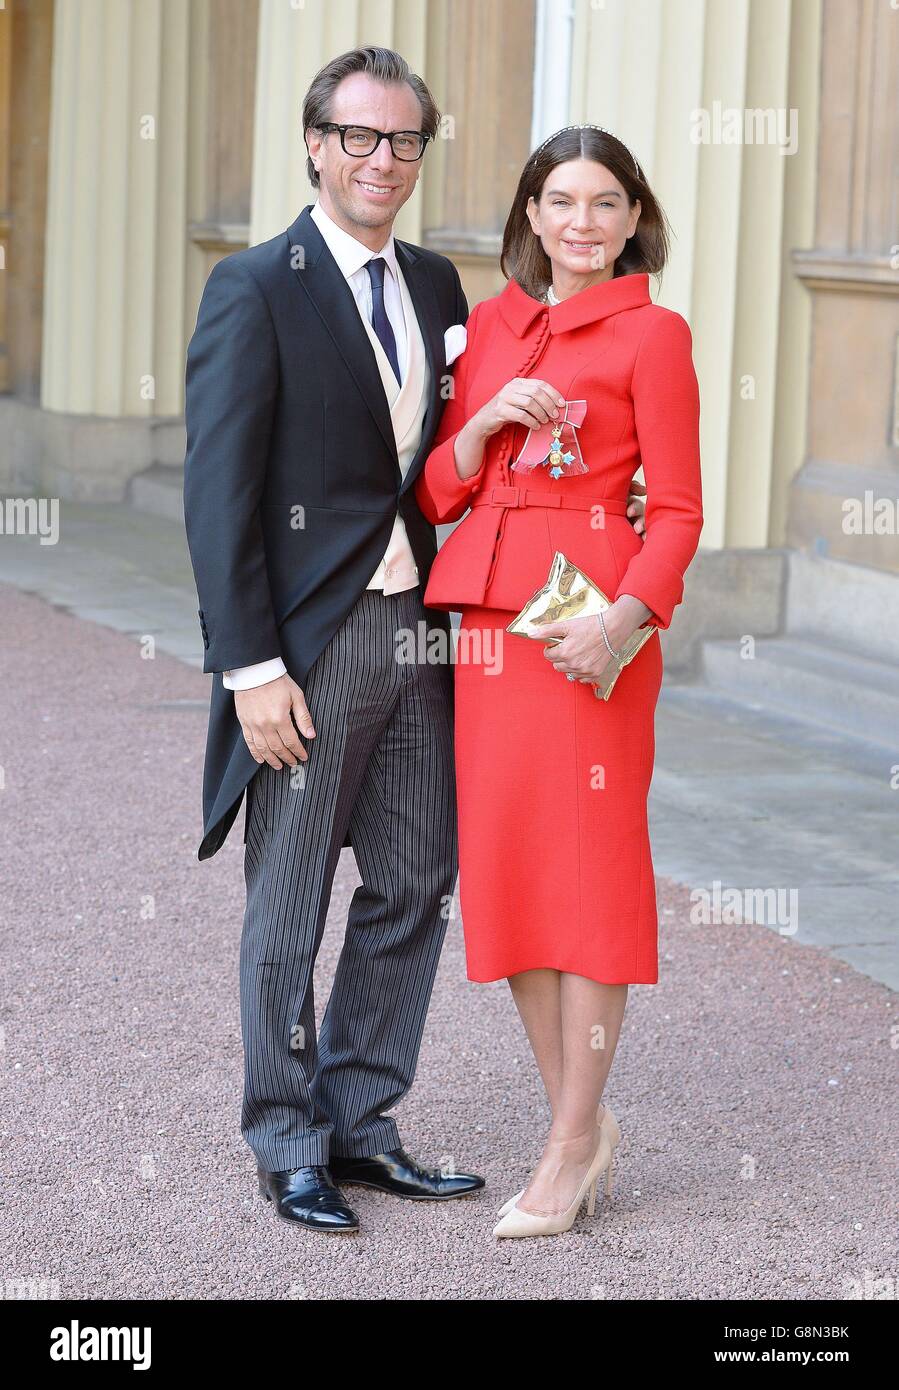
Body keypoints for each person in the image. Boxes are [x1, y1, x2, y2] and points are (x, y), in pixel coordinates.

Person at [182, 46, 496, 1232]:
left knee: (416, 878)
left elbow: (442, 465)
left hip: (419, 635)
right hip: (308, 648)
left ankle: (362, 1121)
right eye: (358, 137)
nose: (382, 159)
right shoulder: (256, 286)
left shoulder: (435, 285)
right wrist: (249, 667)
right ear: (314, 144)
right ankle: (287, 1137)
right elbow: (218, 496)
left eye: (404, 139)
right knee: (291, 894)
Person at [415, 124, 704, 1238]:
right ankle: (574, 1126)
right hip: (490, 625)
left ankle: (570, 1140)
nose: (580, 223)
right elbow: (438, 492)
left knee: (583, 880)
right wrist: (482, 421)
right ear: (529, 215)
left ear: (632, 219)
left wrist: (626, 622)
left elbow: (674, 511)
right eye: (559, 201)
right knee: (511, 874)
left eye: (603, 204)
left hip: (588, 629)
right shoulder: (487, 328)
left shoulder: (653, 335)